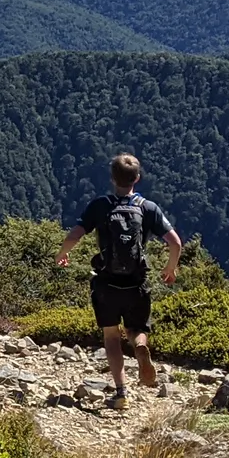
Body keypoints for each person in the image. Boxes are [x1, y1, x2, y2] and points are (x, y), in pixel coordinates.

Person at [55, 153, 184, 408]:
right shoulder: (148, 208)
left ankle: (121, 392)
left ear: (113, 178)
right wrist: (170, 269)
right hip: (137, 283)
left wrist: (62, 253)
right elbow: (176, 243)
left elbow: (75, 235)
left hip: (107, 284)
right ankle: (140, 345)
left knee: (111, 337)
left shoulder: (100, 206)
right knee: (136, 329)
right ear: (137, 178)